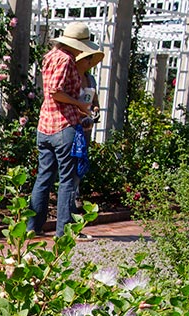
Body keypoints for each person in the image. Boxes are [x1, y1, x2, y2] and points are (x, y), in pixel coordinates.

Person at [26, 22, 99, 239]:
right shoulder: (66, 59)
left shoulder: (50, 56)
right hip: (63, 125)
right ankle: (64, 231)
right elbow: (55, 91)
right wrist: (79, 104)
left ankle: (33, 227)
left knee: (44, 177)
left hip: (45, 125)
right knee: (67, 178)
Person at [74, 49, 105, 211]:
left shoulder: (90, 79)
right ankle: (72, 196)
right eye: (87, 59)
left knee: (82, 158)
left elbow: (94, 100)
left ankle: (76, 192)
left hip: (86, 125)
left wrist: (95, 109)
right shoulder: (73, 79)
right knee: (72, 158)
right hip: (72, 125)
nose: (89, 63)